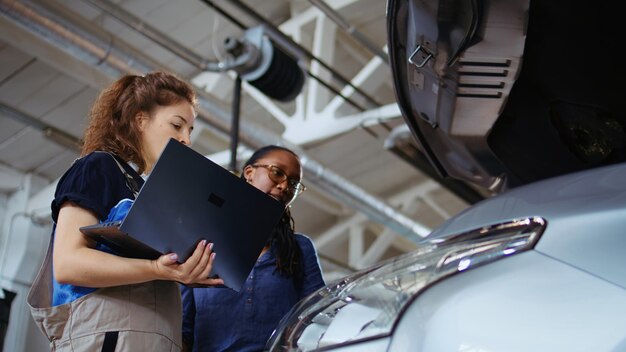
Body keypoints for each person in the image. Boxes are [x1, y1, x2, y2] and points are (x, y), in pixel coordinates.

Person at [27, 71, 224, 352]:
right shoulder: (99, 167)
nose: (186, 140)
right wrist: (156, 269)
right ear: (140, 120)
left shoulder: (153, 194)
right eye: (177, 125)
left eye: (189, 131)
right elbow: (69, 263)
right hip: (108, 334)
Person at [181, 145, 326, 352]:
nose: (284, 185)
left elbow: (317, 318)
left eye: (293, 183)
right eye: (277, 173)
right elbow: (183, 329)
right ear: (249, 173)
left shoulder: (299, 248)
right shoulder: (201, 243)